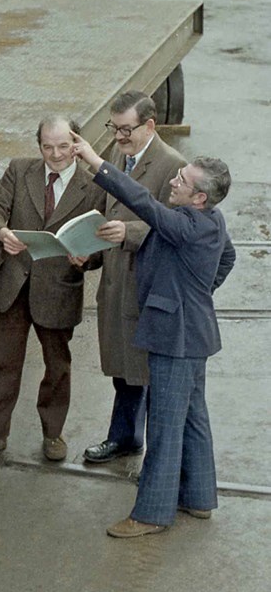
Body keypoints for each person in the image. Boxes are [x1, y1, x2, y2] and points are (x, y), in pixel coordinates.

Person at [71, 130, 235, 536]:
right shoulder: (212, 221)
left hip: (174, 337)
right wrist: (197, 293)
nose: (174, 180)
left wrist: (95, 160)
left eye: (183, 180)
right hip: (194, 333)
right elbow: (227, 257)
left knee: (164, 426)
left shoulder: (184, 223)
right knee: (194, 417)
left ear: (200, 198)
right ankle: (198, 499)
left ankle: (151, 514)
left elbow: (139, 201)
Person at [0, 117, 101, 462]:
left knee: (57, 366)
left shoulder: (93, 187)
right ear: (39, 146)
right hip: (12, 285)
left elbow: (100, 239)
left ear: (77, 145)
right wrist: (1, 233)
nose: (55, 154)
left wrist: (88, 258)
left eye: (64, 146)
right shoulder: (20, 171)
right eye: (47, 147)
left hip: (58, 289)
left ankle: (53, 434)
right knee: (3, 363)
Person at [83, 90, 186, 464]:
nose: (119, 136)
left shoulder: (172, 166)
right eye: (114, 128)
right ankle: (125, 436)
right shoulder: (118, 154)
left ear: (150, 125)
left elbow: (178, 229)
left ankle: (158, 458)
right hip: (115, 281)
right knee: (123, 367)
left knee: (148, 371)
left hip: (146, 284)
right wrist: (87, 248)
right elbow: (103, 208)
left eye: (126, 129)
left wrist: (130, 234)